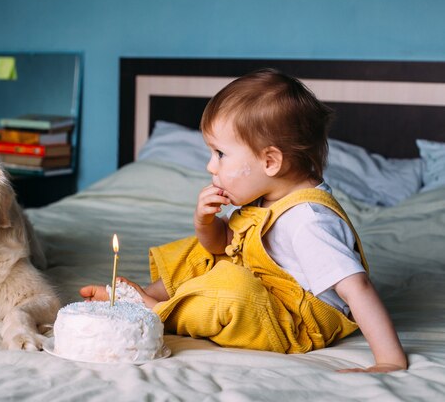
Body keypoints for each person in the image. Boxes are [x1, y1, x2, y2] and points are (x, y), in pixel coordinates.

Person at [80, 69, 407, 373]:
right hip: (267, 292)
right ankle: (146, 296)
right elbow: (224, 245)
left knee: (230, 289)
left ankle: (155, 309)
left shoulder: (309, 222)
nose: (211, 166)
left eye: (220, 154)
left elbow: (358, 289)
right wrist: (205, 223)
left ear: (270, 161)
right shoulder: (266, 195)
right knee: (199, 252)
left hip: (292, 325)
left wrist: (389, 360)